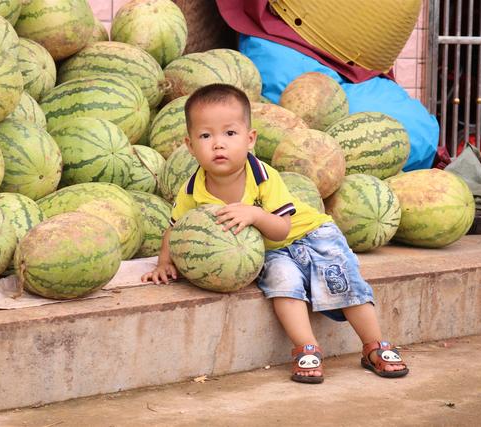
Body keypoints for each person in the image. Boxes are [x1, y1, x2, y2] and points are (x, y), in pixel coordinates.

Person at [142, 83, 408, 384]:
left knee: (342, 283)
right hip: (272, 251)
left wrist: (254, 213)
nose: (218, 144)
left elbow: (281, 227)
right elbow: (175, 227)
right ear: (190, 146)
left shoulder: (263, 176)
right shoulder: (192, 187)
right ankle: (306, 348)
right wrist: (164, 262)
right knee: (283, 287)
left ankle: (374, 345)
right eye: (206, 136)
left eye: (230, 134)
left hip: (311, 234)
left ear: (250, 139)